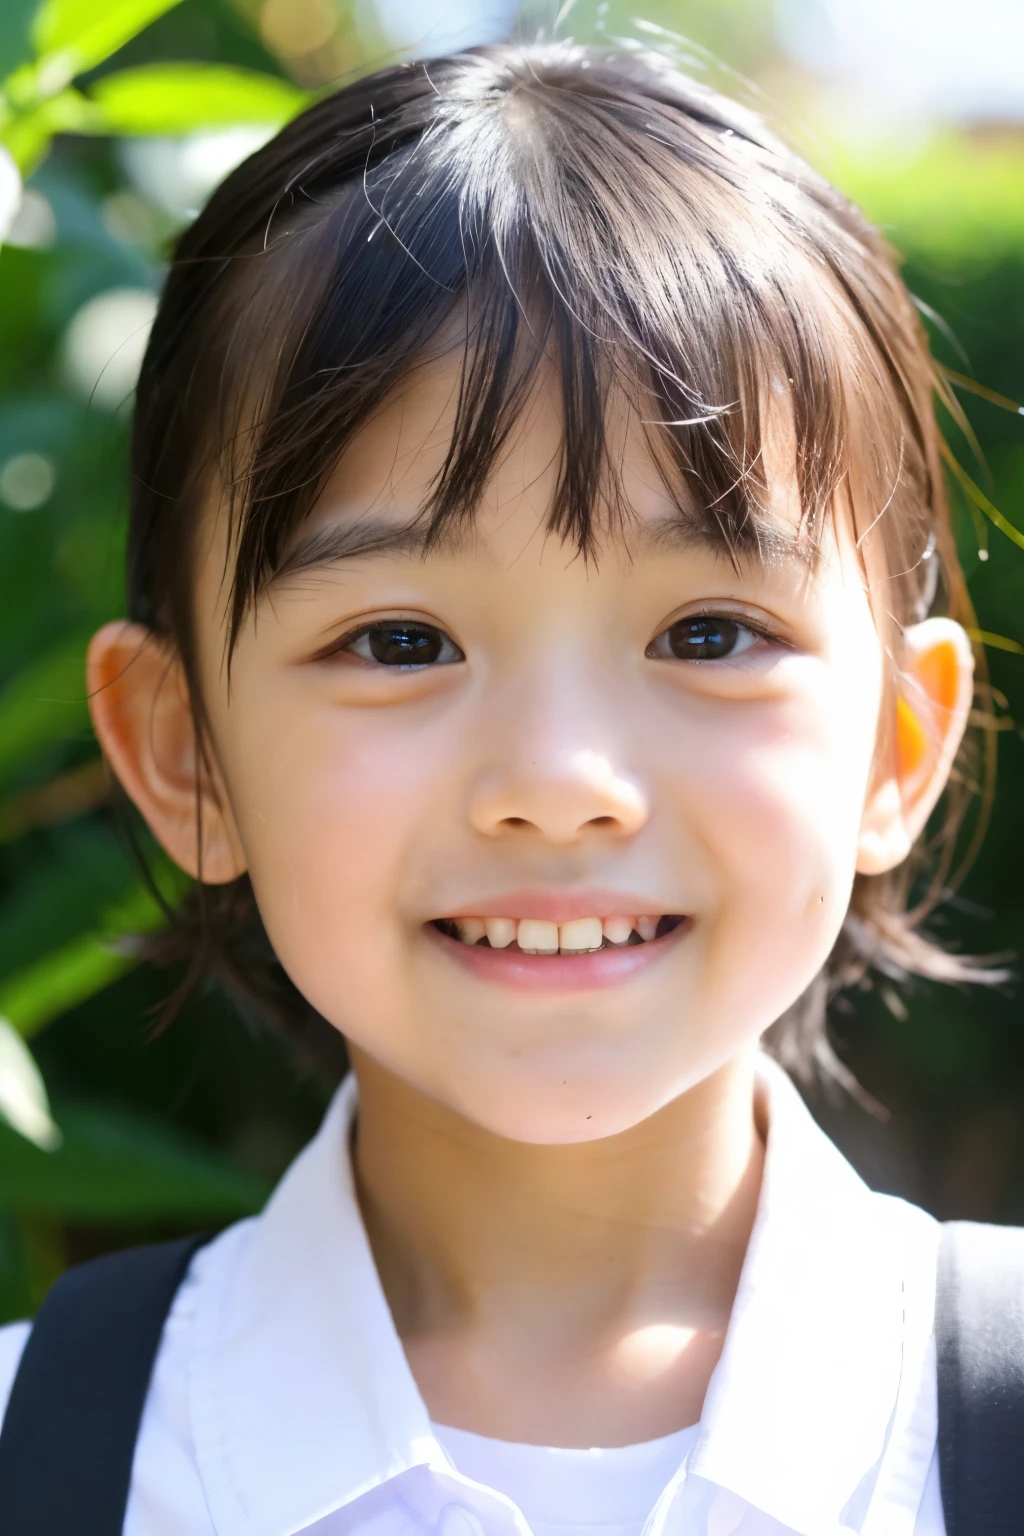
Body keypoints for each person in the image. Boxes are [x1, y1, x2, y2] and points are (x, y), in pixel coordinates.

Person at [0, 40, 999, 1536]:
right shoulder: (45, 1454)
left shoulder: (987, 1420)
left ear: (898, 748)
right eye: (400, 640)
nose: (559, 786)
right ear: (182, 753)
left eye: (710, 633)